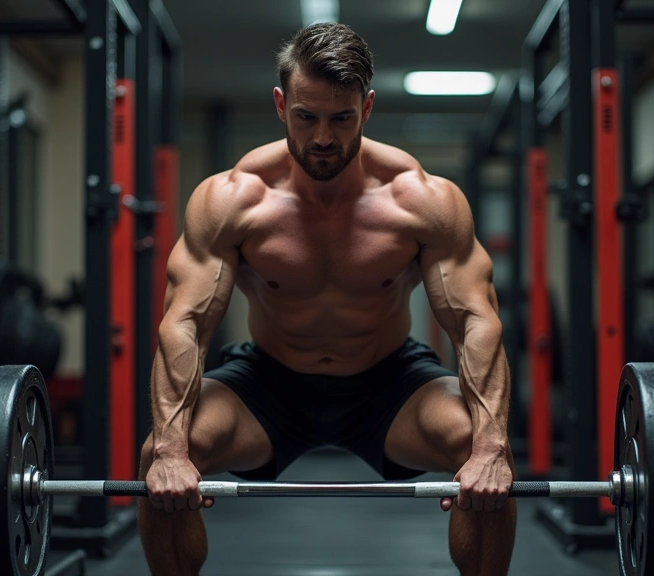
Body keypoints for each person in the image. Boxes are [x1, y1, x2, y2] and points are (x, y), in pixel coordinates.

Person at [137, 22, 516, 576]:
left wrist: (490, 446)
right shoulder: (233, 200)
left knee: (481, 453)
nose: (322, 137)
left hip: (388, 382)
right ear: (279, 103)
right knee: (158, 455)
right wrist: (172, 450)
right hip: (268, 384)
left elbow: (476, 323)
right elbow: (185, 323)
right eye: (305, 116)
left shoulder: (422, 201)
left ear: (366, 108)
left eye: (340, 118)